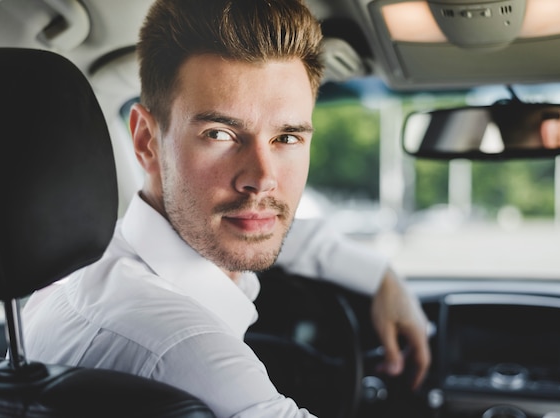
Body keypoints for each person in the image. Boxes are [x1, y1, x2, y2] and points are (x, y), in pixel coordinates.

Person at [22, 0, 430, 416]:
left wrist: (381, 278)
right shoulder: (185, 353)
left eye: (286, 138)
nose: (262, 177)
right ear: (147, 141)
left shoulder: (94, 264)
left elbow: (261, 226)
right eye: (219, 133)